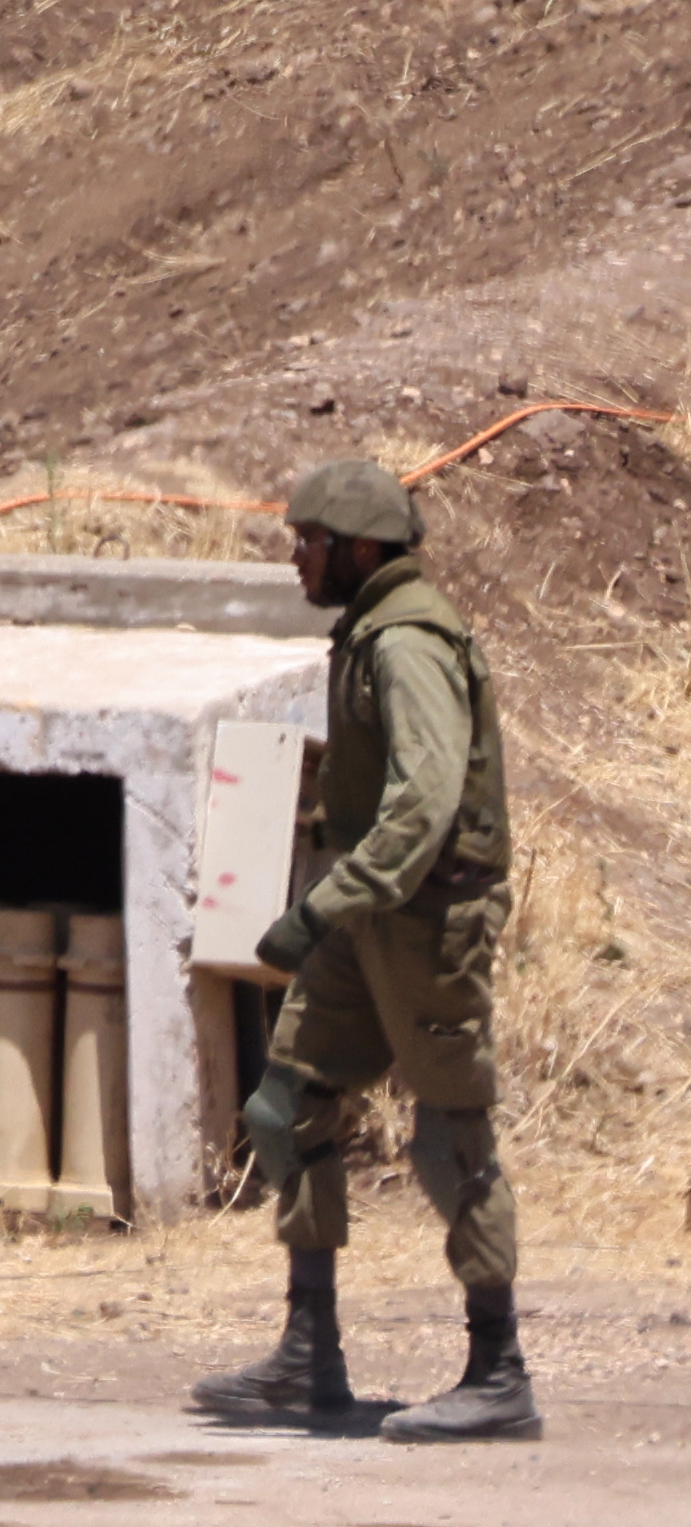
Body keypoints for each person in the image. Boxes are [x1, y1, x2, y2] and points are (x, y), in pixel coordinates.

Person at [200, 457, 528, 1444]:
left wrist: (317, 905)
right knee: (285, 1099)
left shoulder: (407, 643)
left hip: (429, 919)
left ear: (356, 547)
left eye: (306, 539)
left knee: (449, 1137)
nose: (294, 554)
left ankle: (497, 1367)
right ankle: (310, 1354)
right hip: (373, 914)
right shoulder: (370, 632)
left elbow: (422, 803)